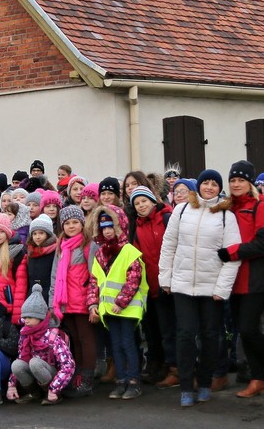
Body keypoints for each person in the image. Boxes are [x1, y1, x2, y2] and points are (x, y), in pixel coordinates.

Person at [158, 169, 241, 407]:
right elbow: (169, 245)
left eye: (215, 184)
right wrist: (166, 278)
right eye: (206, 183)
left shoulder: (226, 216)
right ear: (199, 186)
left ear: (219, 189)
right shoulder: (182, 210)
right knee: (185, 335)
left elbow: (233, 255)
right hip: (182, 284)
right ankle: (186, 386)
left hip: (211, 288)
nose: (209, 187)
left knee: (210, 336)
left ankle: (204, 382)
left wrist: (222, 288)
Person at [217, 161, 264, 398]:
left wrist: (233, 252)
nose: (236, 184)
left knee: (249, 328)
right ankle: (257, 378)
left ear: (250, 183)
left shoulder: (260, 205)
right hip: (232, 278)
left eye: (241, 180)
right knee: (242, 331)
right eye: (233, 180)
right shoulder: (227, 207)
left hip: (254, 276)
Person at [88, 205, 147, 400]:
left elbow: (134, 279)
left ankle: (134, 381)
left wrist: (121, 302)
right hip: (109, 309)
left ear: (120, 227)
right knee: (116, 345)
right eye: (103, 227)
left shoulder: (129, 251)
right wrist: (93, 304)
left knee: (128, 343)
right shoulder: (101, 253)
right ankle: (121, 380)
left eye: (111, 227)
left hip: (127, 309)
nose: (107, 231)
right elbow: (94, 281)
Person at [129, 185, 177, 386]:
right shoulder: (138, 227)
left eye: (144, 201)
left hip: (170, 285)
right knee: (155, 331)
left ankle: (176, 369)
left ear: (153, 201)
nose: (141, 205)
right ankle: (162, 366)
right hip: (150, 287)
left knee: (170, 330)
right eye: (137, 203)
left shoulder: (166, 218)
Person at [49, 205, 99, 397]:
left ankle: (87, 381)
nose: (71, 226)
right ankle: (77, 377)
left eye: (75, 222)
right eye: (67, 223)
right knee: (75, 340)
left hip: (83, 300)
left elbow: (95, 275)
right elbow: (54, 276)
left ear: (82, 224)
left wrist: (93, 302)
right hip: (65, 301)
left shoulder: (89, 245)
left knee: (86, 340)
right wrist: (52, 303)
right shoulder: (61, 246)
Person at [7, 284, 75, 405]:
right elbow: (21, 356)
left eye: (30, 317)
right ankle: (34, 393)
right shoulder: (25, 333)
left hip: (52, 374)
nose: (26, 320)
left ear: (40, 317)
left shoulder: (52, 336)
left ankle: (52, 394)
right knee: (17, 365)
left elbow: (68, 365)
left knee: (35, 362)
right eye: (24, 317)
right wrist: (11, 385)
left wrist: (54, 388)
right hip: (36, 371)